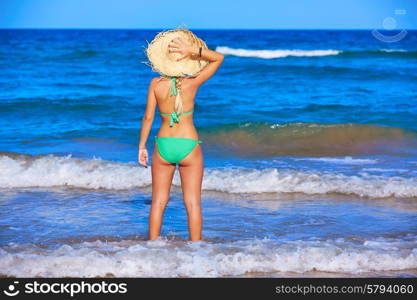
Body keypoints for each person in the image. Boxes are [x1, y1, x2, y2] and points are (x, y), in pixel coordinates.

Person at [138, 29, 224, 241]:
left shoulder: (155, 84)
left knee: (158, 201)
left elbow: (148, 118)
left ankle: (152, 246)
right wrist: (192, 50)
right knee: (193, 202)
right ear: (186, 61)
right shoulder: (192, 83)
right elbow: (218, 58)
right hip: (189, 145)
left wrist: (141, 147)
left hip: (164, 145)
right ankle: (196, 249)